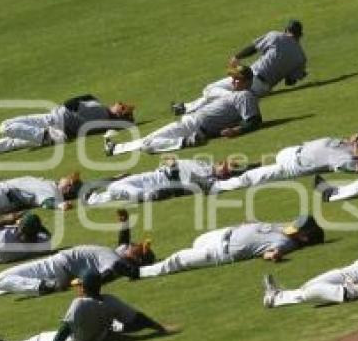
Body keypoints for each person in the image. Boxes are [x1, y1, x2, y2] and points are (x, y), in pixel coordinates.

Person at [0, 271, 173, 341]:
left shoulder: (78, 304)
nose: (77, 287)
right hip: (104, 334)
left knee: (37, 340)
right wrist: (160, 328)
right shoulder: (110, 300)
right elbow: (138, 317)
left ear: (83, 287)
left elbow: (63, 333)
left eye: (79, 285)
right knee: (121, 324)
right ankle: (120, 330)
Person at [0, 210, 154, 297]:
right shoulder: (119, 253)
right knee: (14, 282)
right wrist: (125, 223)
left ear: (135, 257)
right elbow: (123, 243)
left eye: (138, 247)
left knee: (2, 278)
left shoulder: (114, 260)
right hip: (60, 268)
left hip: (55, 266)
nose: (135, 243)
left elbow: (110, 271)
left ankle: (44, 287)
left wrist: (85, 286)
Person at [105, 66, 261, 155]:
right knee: (149, 139)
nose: (233, 81)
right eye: (232, 78)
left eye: (237, 78)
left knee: (148, 144)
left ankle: (186, 142)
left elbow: (254, 121)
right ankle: (116, 149)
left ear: (247, 81)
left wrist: (237, 130)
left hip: (194, 126)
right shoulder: (237, 94)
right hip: (192, 123)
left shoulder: (245, 95)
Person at [172, 19, 307, 114]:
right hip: (264, 89)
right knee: (214, 95)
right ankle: (185, 108)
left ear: (286, 30)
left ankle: (234, 97)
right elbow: (290, 81)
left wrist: (237, 57)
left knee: (210, 90)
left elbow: (254, 48)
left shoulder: (276, 36)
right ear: (300, 35)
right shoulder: (301, 57)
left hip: (250, 77)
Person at [137, 215, 324, 279]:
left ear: (305, 238)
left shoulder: (286, 243)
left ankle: (138, 272)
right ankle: (149, 262)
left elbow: (272, 253)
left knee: (179, 259)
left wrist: (274, 256)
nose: (293, 225)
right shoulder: (286, 227)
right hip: (221, 234)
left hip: (221, 252)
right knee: (194, 243)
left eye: (298, 227)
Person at [211, 125, 358, 193]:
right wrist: (352, 141)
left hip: (292, 167)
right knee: (263, 165)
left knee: (251, 178)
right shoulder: (344, 144)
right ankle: (233, 171)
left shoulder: (346, 157)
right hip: (292, 151)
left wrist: (356, 150)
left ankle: (216, 186)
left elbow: (357, 167)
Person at [0, 96, 134, 159]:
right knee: (9, 143)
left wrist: (88, 97)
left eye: (122, 107)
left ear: (118, 114)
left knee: (5, 127)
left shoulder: (99, 111)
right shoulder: (104, 116)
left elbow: (70, 103)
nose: (119, 103)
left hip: (52, 125)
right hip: (56, 128)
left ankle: (43, 138)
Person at [84, 158, 242, 205]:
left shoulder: (209, 180)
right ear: (220, 163)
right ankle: (91, 198)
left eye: (227, 173)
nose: (224, 172)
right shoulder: (200, 163)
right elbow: (168, 159)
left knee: (122, 192)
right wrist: (172, 166)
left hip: (162, 185)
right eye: (225, 168)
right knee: (119, 188)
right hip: (152, 177)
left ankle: (91, 199)